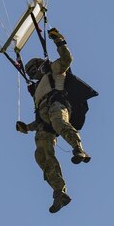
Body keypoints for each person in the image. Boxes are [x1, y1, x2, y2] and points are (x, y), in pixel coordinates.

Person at [16, 27, 93, 214]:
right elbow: (38, 118)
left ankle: (78, 149)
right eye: (30, 72)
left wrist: (59, 42)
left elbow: (67, 59)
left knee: (59, 123)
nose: (33, 73)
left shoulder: (55, 71)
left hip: (57, 106)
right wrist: (27, 127)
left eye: (34, 68)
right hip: (44, 120)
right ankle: (59, 192)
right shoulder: (36, 91)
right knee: (42, 155)